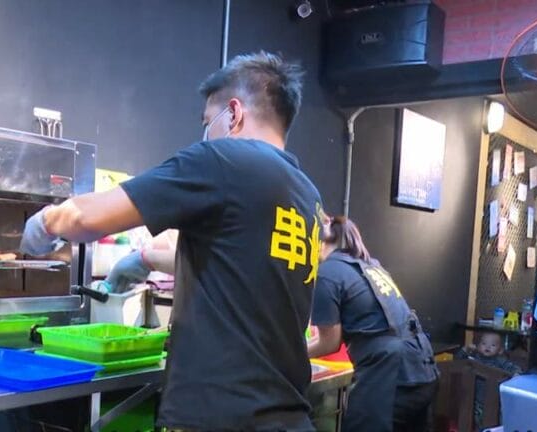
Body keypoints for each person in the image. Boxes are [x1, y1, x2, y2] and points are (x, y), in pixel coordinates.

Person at [21, 51, 324, 431]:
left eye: (207, 122)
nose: (206, 133)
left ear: (233, 113)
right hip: (286, 416)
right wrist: (145, 259)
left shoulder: (224, 159)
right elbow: (240, 263)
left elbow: (86, 219)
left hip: (223, 419)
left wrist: (43, 224)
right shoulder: (306, 194)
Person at [308, 216, 438, 432]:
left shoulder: (328, 272)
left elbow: (329, 342)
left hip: (392, 377)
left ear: (318, 242)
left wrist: (293, 353)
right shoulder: (369, 266)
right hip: (423, 370)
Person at [455, 331, 521, 426]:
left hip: (494, 398)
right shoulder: (475, 358)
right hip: (474, 397)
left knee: (492, 419)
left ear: (500, 350)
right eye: (484, 343)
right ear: (478, 346)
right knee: (473, 418)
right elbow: (458, 360)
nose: (488, 347)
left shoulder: (500, 361)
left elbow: (513, 368)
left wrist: (516, 373)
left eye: (493, 345)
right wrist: (466, 349)